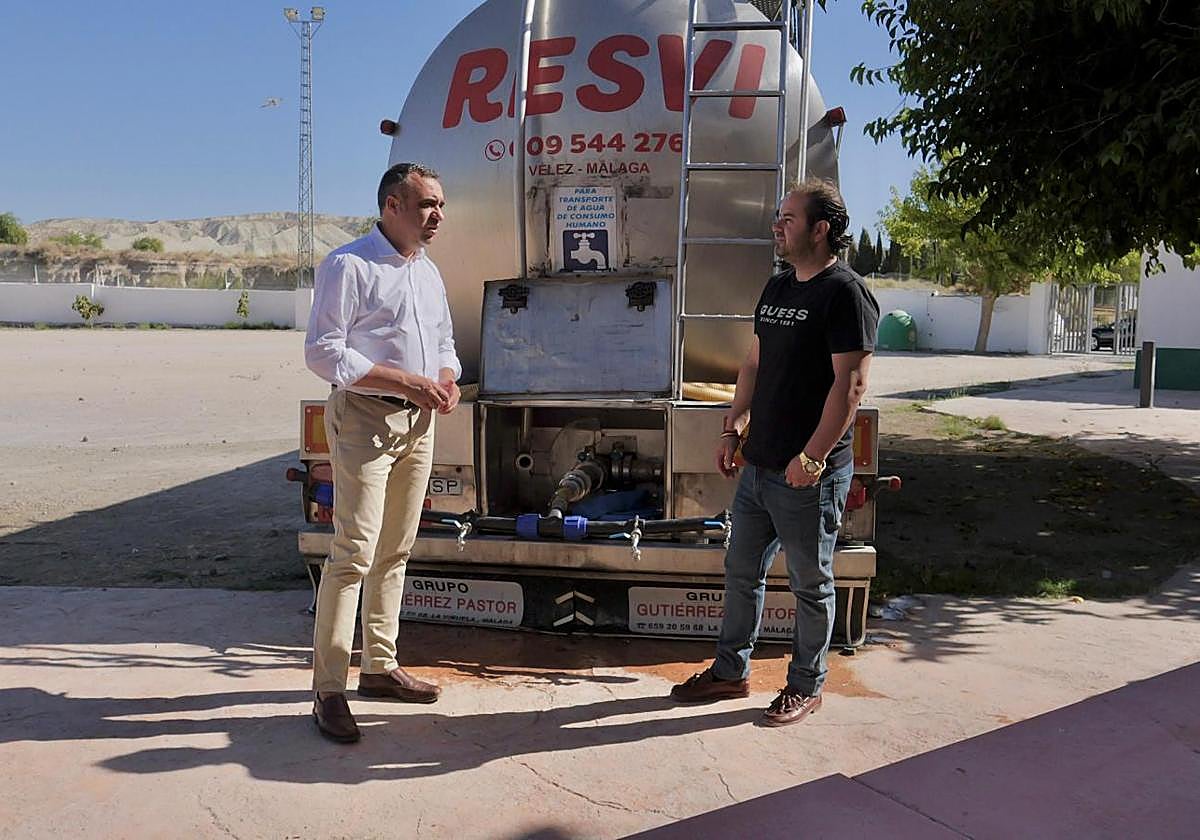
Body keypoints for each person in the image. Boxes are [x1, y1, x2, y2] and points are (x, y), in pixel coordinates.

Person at [670, 178, 879, 727]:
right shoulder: (780, 286)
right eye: (778, 218)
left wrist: (812, 457)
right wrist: (733, 426)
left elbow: (849, 387)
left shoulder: (845, 293)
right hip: (759, 465)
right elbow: (754, 363)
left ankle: (805, 685)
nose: (777, 227)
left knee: (811, 583)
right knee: (742, 570)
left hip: (807, 473)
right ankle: (730, 671)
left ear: (821, 228)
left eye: (788, 218)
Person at [304, 162, 462, 743]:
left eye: (441, 205)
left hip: (419, 421)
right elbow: (324, 352)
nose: (438, 215)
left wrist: (442, 376)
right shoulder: (349, 265)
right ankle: (329, 690)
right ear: (392, 206)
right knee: (353, 553)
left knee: (395, 548)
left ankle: (379, 666)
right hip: (367, 419)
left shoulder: (428, 272)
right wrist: (405, 382)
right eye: (427, 205)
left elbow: (444, 338)